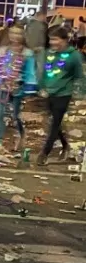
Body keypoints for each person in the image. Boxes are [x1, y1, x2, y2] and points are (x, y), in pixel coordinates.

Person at [37, 27, 84, 166]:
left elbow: (79, 76)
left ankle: (44, 153)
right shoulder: (48, 54)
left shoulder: (74, 55)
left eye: (55, 39)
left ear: (64, 40)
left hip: (64, 94)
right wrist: (42, 87)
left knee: (54, 123)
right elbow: (43, 73)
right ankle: (65, 145)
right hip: (48, 93)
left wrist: (79, 93)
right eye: (51, 39)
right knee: (55, 124)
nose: (52, 42)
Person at [0, 26, 37, 156]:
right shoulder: (3, 50)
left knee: (15, 116)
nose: (15, 36)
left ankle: (21, 136)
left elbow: (30, 74)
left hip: (18, 89)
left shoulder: (28, 53)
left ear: (23, 36)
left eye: (18, 33)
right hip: (3, 87)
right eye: (12, 33)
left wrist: (28, 89)